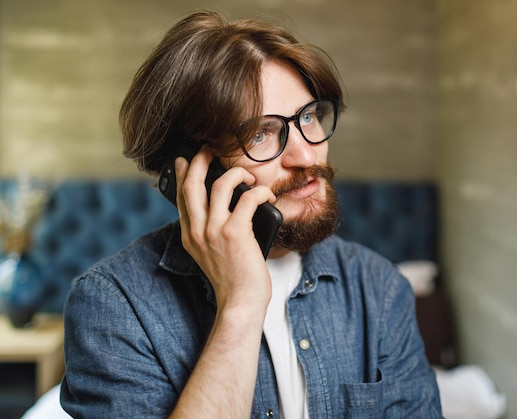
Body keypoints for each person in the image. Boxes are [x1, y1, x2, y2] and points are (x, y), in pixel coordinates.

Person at [60, 10, 442, 418]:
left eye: (308, 117)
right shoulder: (114, 307)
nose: (306, 155)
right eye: (261, 133)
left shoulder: (377, 289)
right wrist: (240, 306)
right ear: (194, 173)